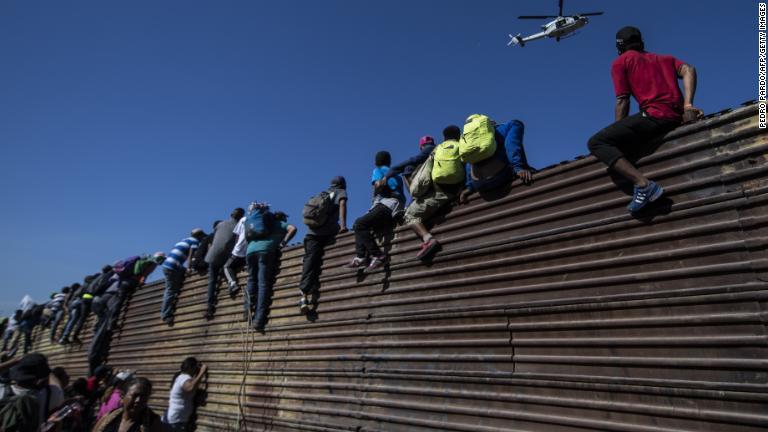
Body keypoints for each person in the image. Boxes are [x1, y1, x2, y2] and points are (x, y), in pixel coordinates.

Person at [587, 26, 704, 213]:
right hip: (674, 117)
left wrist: (618, 131)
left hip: (655, 115)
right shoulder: (664, 58)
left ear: (620, 46)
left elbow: (622, 100)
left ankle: (644, 185)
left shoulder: (621, 62)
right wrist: (688, 105)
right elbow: (688, 69)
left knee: (597, 142)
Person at [89, 255, 163, 375]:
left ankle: (102, 327)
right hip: (127, 284)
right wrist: (141, 283)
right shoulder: (151, 263)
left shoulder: (130, 265)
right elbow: (144, 276)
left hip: (106, 294)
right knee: (114, 307)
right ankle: (110, 325)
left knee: (104, 318)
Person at [346, 151, 405, 273]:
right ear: (389, 161)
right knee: (364, 225)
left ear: (376, 161)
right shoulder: (397, 174)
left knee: (359, 224)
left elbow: (377, 186)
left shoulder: (378, 170)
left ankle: (376, 255)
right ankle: (361, 257)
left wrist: (376, 192)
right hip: (397, 205)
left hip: (387, 204)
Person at [298, 176, 348, 314]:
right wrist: (343, 226)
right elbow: (343, 204)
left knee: (309, 262)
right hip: (326, 232)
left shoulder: (322, 193)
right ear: (342, 185)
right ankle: (306, 294)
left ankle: (303, 296)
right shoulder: (340, 192)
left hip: (311, 234)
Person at [244, 205, 297, 333]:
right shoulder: (280, 224)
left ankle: (246, 311)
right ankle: (258, 320)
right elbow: (293, 228)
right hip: (265, 251)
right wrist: (283, 242)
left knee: (251, 280)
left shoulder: (263, 222)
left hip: (250, 251)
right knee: (263, 284)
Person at [459, 118, 534, 203]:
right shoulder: (498, 130)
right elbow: (511, 145)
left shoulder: (467, 141)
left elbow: (470, 163)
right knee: (516, 123)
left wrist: (470, 187)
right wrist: (519, 168)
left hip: (478, 185)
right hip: (499, 177)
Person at [0, 353, 64, 431]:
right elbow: (57, 385)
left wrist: (15, 361)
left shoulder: (1, 390)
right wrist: (46, 370)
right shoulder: (51, 394)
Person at [203, 208, 245, 319]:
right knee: (227, 268)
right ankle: (232, 284)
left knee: (212, 281)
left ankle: (209, 306)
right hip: (226, 256)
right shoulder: (240, 227)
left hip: (212, 256)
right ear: (241, 217)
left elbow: (215, 238)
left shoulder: (220, 224)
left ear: (231, 214)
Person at [160, 229, 206, 325]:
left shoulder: (183, 240)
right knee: (170, 290)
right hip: (172, 267)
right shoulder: (195, 242)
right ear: (199, 236)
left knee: (173, 285)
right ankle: (166, 314)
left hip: (168, 265)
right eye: (202, 236)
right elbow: (191, 255)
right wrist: (189, 268)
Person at [92, 377, 163, 432]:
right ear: (123, 396)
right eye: (135, 395)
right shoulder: (108, 418)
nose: (138, 400)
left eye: (143, 396)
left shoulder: (153, 423)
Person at [164, 357, 207, 431]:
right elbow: (190, 387)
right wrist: (202, 372)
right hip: (177, 421)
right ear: (192, 368)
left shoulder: (180, 377)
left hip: (174, 419)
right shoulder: (184, 378)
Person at [58, 279, 91, 345]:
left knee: (71, 321)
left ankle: (63, 337)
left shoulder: (72, 292)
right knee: (74, 320)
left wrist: (67, 308)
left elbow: (66, 302)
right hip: (78, 302)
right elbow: (86, 295)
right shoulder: (84, 287)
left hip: (72, 305)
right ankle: (65, 337)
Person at [224, 213, 249, 297]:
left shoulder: (243, 219)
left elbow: (237, 235)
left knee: (226, 266)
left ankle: (233, 283)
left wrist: (235, 248)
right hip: (251, 250)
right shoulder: (263, 219)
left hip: (239, 250)